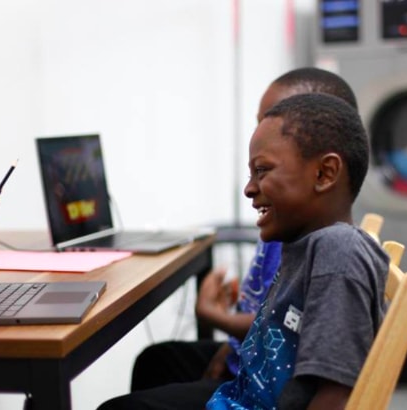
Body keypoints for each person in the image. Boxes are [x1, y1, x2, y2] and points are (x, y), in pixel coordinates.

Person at [99, 93, 388, 409]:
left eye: (262, 170)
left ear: (324, 173)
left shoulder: (338, 252)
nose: (249, 188)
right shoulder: (305, 245)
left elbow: (338, 394)